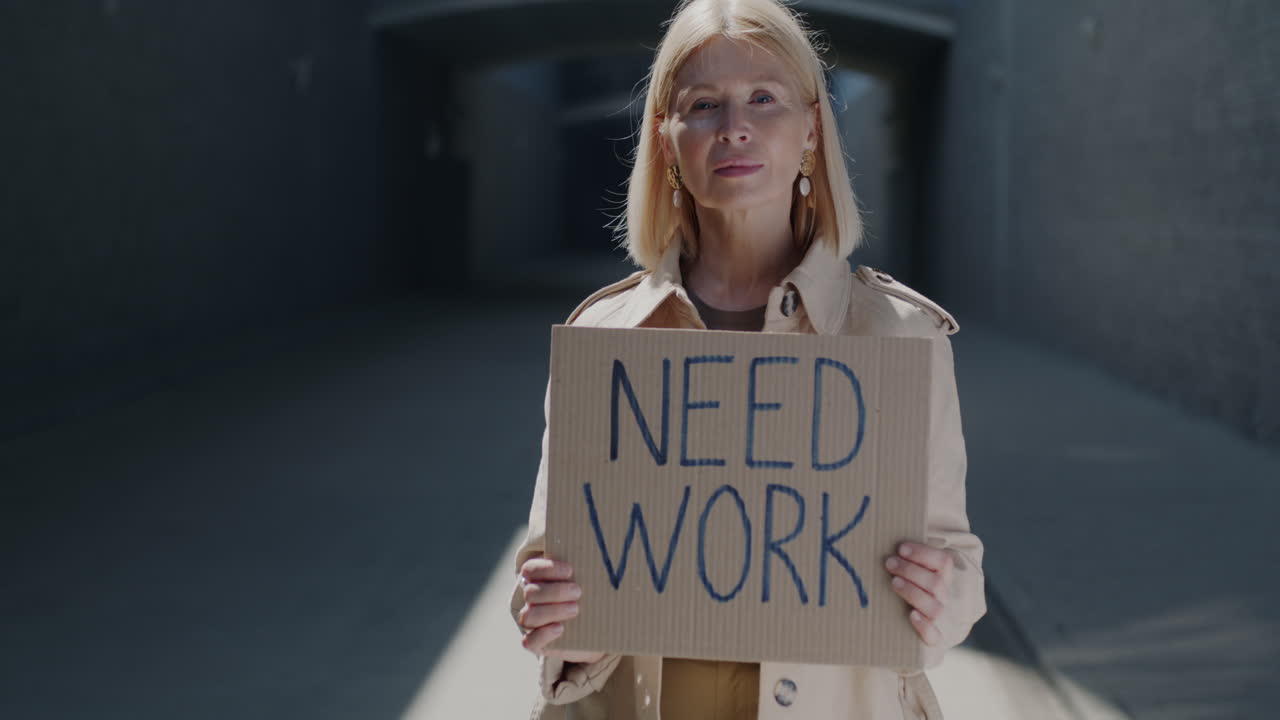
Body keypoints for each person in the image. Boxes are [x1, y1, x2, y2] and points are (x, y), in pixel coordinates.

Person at [510, 0, 986, 718]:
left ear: (811, 130)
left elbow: (959, 565)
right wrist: (556, 619)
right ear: (667, 139)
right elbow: (550, 571)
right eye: (704, 104)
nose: (734, 126)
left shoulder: (899, 339)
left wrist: (941, 598)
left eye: (764, 98)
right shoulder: (607, 341)